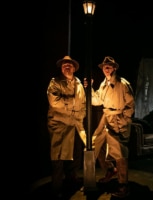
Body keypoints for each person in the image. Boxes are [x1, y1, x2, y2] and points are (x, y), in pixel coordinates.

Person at [88, 56, 135, 198]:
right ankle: (110, 170)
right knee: (95, 143)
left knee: (120, 153)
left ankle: (123, 185)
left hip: (118, 119)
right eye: (104, 67)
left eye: (109, 66)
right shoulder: (104, 84)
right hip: (106, 117)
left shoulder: (122, 83)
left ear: (114, 68)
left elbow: (130, 104)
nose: (106, 69)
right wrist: (89, 88)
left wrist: (124, 120)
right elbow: (97, 101)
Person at [47, 55, 87, 199]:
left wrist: (79, 117)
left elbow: (82, 104)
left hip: (75, 125)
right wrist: (72, 105)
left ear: (74, 68)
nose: (67, 67)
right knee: (58, 157)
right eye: (64, 65)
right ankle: (56, 187)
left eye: (69, 65)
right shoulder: (55, 83)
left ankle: (72, 179)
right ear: (61, 68)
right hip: (59, 125)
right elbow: (55, 102)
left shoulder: (78, 83)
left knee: (75, 154)